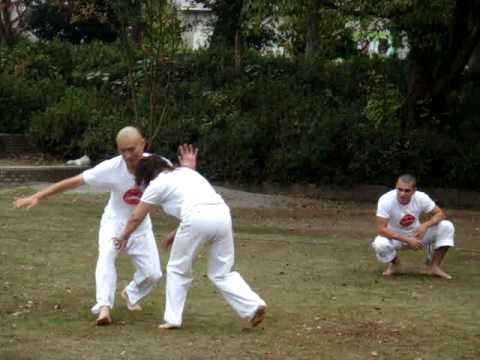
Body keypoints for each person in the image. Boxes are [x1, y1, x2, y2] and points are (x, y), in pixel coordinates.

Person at [13, 126, 198, 325]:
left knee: (153, 274)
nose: (127, 155)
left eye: (132, 149)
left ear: (143, 143)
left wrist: (189, 169)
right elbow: (74, 182)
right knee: (107, 254)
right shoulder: (110, 168)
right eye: (122, 150)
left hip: (141, 225)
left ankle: (131, 293)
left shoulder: (157, 164)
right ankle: (103, 308)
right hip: (114, 222)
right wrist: (38, 196)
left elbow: (181, 182)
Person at [113, 155, 267, 329]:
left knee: (177, 269)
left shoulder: (157, 183)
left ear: (146, 176)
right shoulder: (186, 172)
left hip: (197, 217)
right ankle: (253, 305)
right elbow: (195, 201)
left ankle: (173, 319)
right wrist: (176, 232)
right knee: (223, 272)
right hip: (222, 214)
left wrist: (123, 235)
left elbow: (136, 217)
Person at [372, 174, 455, 279]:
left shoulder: (421, 197)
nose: (402, 194)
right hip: (395, 237)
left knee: (447, 226)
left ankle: (434, 266)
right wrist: (407, 240)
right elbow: (381, 230)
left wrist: (426, 225)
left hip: (417, 235)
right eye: (400, 189)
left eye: (407, 191)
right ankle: (395, 264)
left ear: (414, 190)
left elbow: (440, 214)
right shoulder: (385, 199)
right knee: (380, 244)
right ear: (396, 187)